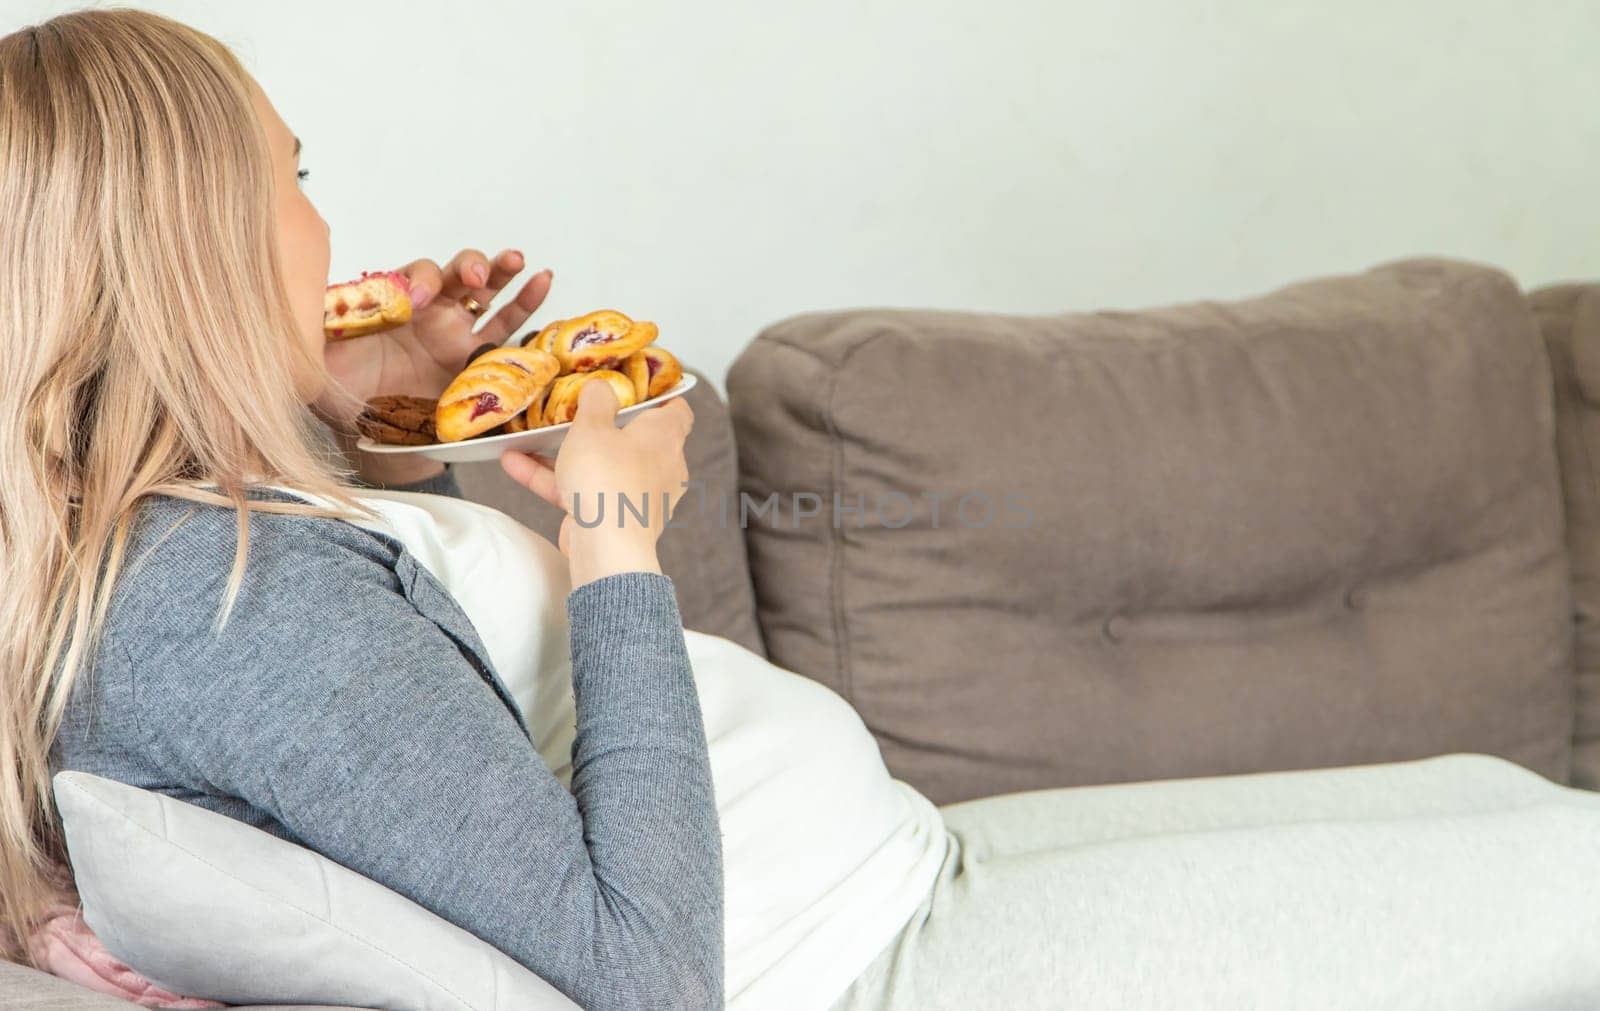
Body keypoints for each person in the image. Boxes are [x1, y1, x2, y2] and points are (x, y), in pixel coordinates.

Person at [6, 9, 1600, 1011]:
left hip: (896, 868)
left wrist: (391, 412)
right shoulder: (217, 614)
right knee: (1572, 887)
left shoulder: (194, 542)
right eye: (290, 178)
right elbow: (647, 979)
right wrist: (619, 540)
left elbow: (405, 692)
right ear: (196, 242)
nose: (319, 216)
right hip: (860, 968)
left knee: (1505, 793)